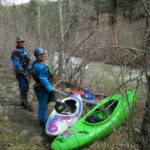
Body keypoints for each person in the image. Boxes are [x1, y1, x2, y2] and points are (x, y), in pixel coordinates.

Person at [31, 47, 56, 129]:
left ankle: (43, 118)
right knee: (43, 106)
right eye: (40, 55)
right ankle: (43, 123)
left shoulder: (37, 64)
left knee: (44, 105)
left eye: (43, 54)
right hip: (41, 89)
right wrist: (50, 90)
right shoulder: (40, 67)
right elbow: (43, 79)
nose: (42, 56)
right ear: (36, 56)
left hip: (41, 87)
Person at [11, 36, 33, 111]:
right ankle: (24, 102)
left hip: (26, 71)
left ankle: (24, 100)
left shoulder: (24, 50)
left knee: (26, 86)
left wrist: (30, 69)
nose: (22, 43)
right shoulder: (16, 51)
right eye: (20, 42)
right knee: (23, 86)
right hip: (20, 72)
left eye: (23, 42)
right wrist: (21, 71)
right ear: (17, 42)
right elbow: (16, 62)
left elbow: (27, 61)